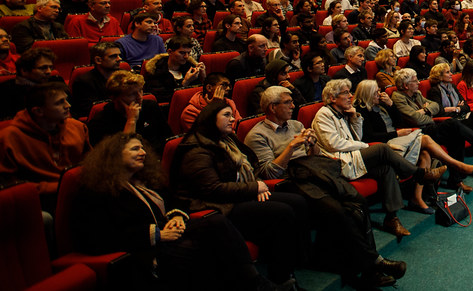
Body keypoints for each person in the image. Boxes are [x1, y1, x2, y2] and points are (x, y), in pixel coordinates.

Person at [243, 85, 407, 289]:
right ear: (272, 107)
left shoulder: (294, 125)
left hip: (316, 173)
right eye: (288, 102)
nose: (293, 105)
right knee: (339, 211)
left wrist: (311, 145)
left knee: (357, 203)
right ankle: (373, 265)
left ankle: (370, 267)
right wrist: (291, 147)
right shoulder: (257, 135)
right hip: (291, 183)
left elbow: (316, 156)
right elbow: (269, 172)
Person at [73, 133, 280, 291]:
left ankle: (255, 282)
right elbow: (97, 238)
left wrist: (177, 215)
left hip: (170, 234)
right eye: (135, 149)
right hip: (141, 249)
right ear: (115, 155)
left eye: (143, 148)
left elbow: (176, 200)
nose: (143, 152)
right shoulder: (97, 190)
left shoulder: (145, 180)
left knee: (215, 223)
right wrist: (156, 234)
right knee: (203, 248)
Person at [171, 99, 308, 288]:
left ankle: (293, 266)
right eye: (226, 115)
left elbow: (248, 167)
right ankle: (281, 276)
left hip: (237, 194)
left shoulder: (226, 139)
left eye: (233, 115)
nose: (233, 119)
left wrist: (253, 186)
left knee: (297, 201)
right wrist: (252, 189)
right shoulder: (197, 149)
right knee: (282, 212)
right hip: (216, 206)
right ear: (211, 118)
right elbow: (212, 189)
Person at [312, 78, 445, 241]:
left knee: (386, 169)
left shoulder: (345, 112)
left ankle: (391, 217)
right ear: (333, 98)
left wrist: (355, 118)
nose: (350, 96)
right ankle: (419, 173)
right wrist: (364, 146)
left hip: (352, 156)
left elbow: (357, 136)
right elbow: (334, 144)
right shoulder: (323, 115)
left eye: (350, 92)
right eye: (346, 93)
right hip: (337, 161)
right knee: (382, 149)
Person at [356, 78, 473, 202]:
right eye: (376, 92)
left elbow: (435, 107)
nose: (380, 94)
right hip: (390, 142)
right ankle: (461, 164)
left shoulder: (384, 104)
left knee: (439, 144)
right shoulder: (362, 110)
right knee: (440, 131)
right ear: (368, 94)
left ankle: (417, 197)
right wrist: (397, 133)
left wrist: (391, 106)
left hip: (403, 135)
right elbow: (369, 137)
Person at [390, 67, 473, 172]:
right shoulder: (398, 97)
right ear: (406, 85)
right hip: (419, 132)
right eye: (415, 81)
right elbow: (416, 119)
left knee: (472, 121)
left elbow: (436, 106)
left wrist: (425, 111)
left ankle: (456, 180)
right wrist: (428, 114)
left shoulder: (417, 93)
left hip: (434, 124)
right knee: (453, 124)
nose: (418, 83)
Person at [0, 82, 90, 211]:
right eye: (60, 103)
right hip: (38, 200)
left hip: (78, 191)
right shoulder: (9, 138)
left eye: (66, 100)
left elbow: (89, 163)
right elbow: (10, 186)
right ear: (38, 111)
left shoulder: (77, 127)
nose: (68, 106)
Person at [88, 69, 171, 151]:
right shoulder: (100, 122)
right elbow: (118, 156)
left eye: (140, 91)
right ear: (114, 98)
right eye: (132, 94)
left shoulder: (150, 106)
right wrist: (131, 120)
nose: (139, 97)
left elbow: (168, 138)